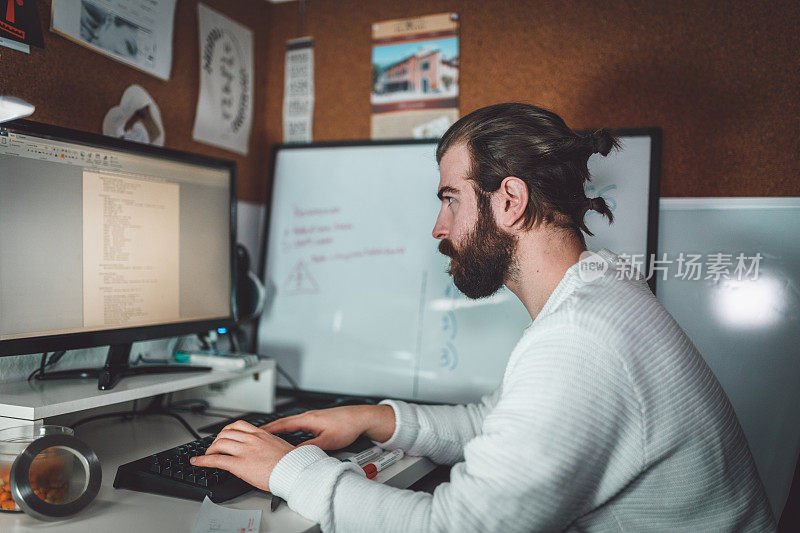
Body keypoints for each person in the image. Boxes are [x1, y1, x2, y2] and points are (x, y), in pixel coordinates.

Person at [191, 103, 776, 532]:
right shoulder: (599, 292)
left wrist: (293, 472)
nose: (438, 228)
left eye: (450, 198)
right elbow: (494, 424)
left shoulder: (580, 340)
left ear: (510, 202)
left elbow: (459, 530)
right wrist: (374, 417)